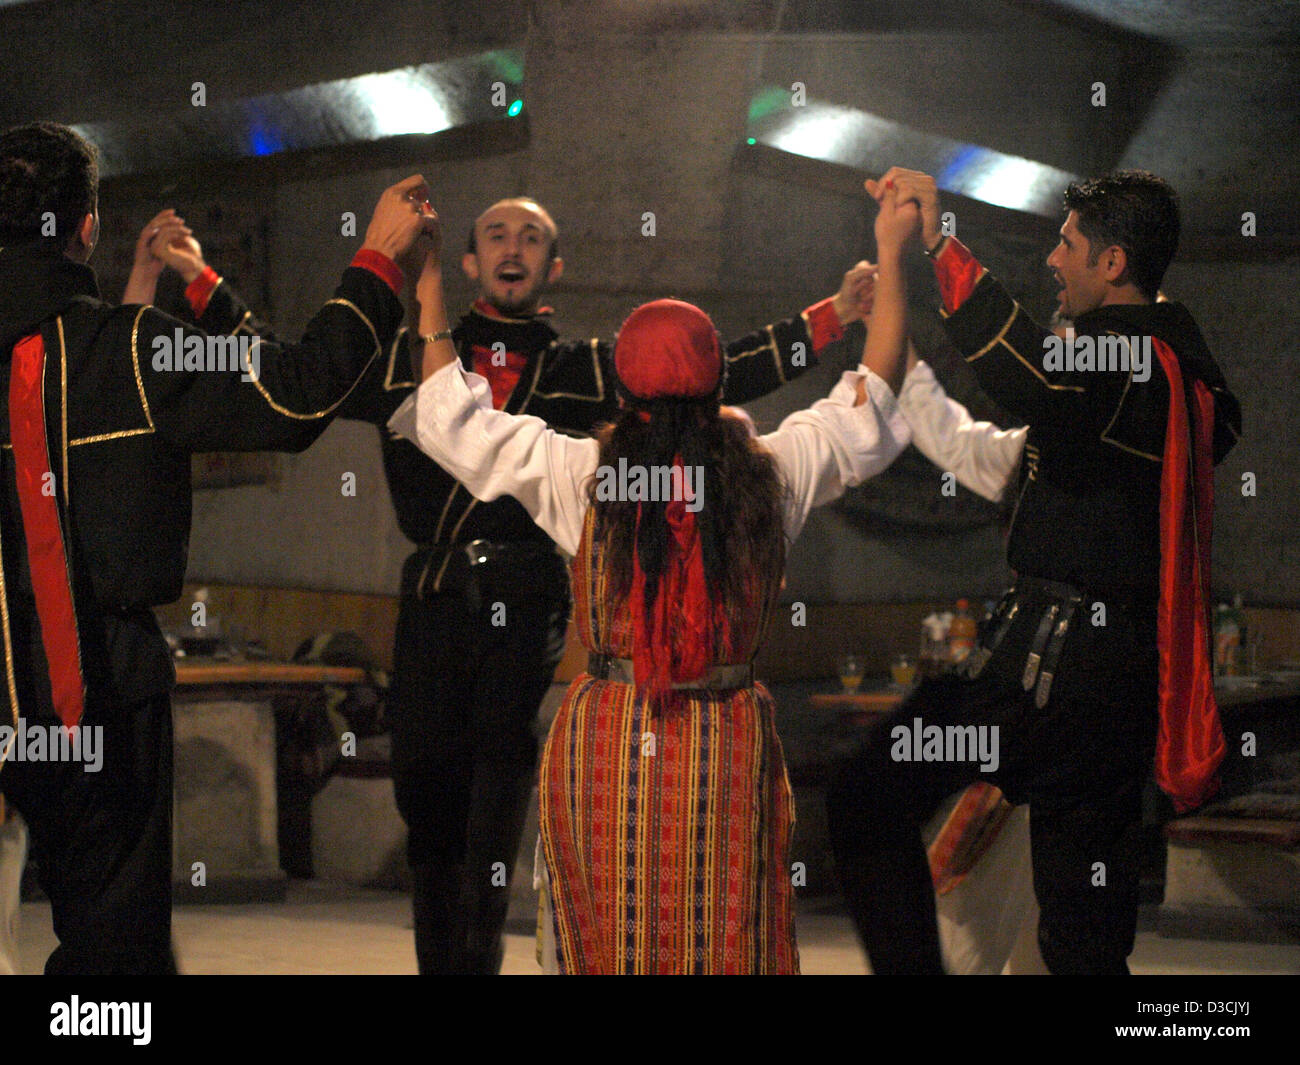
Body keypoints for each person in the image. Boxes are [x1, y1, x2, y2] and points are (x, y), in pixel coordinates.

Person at [334, 194, 880, 974]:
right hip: (434, 593)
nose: (511, 247)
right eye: (494, 234)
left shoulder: (569, 382)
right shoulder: (761, 474)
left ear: (553, 268)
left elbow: (730, 357)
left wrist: (826, 317)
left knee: (498, 798)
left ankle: (475, 955)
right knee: (426, 798)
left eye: (530, 237)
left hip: (527, 605)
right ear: (467, 260)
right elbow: (312, 372)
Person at [0, 121, 428, 974]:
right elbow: (300, 391)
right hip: (90, 683)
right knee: (113, 952)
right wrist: (379, 259)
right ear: (87, 226)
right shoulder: (132, 350)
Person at [828, 167, 1242, 974]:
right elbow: (1000, 416)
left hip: (1053, 680)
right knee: (1080, 939)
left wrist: (941, 246)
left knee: (870, 798)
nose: (1053, 259)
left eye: (1068, 243)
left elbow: (1039, 375)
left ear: (1114, 263)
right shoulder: (1158, 376)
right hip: (1083, 681)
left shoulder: (1139, 365)